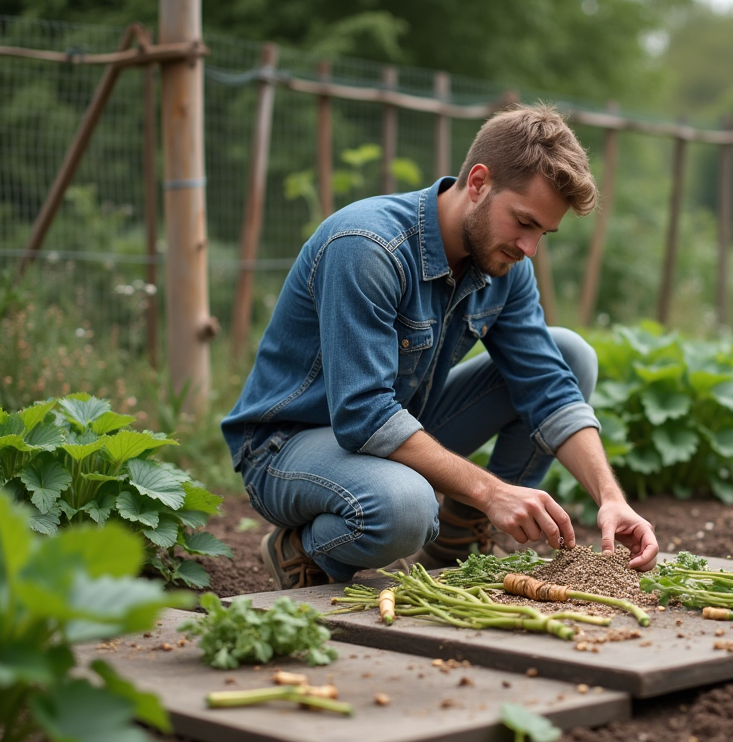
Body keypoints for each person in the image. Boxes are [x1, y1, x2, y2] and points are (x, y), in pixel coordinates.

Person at [222, 102, 659, 589]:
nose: (530, 248)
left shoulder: (504, 268)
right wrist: (490, 491)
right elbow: (363, 414)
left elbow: (549, 388)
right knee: (405, 507)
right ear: (478, 183)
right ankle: (301, 550)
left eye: (544, 233)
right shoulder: (368, 247)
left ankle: (458, 538)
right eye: (524, 222)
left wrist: (609, 497)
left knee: (572, 357)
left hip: (394, 428)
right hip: (288, 447)